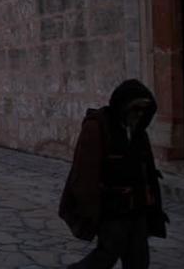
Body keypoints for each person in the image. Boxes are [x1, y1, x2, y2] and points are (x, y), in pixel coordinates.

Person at [59, 79, 168, 269]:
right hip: (113, 209)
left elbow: (147, 169)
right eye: (135, 109)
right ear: (123, 106)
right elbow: (85, 175)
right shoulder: (98, 127)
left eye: (143, 110)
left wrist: (153, 206)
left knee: (138, 258)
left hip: (138, 208)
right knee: (106, 256)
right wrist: (91, 212)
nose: (139, 114)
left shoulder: (138, 132)